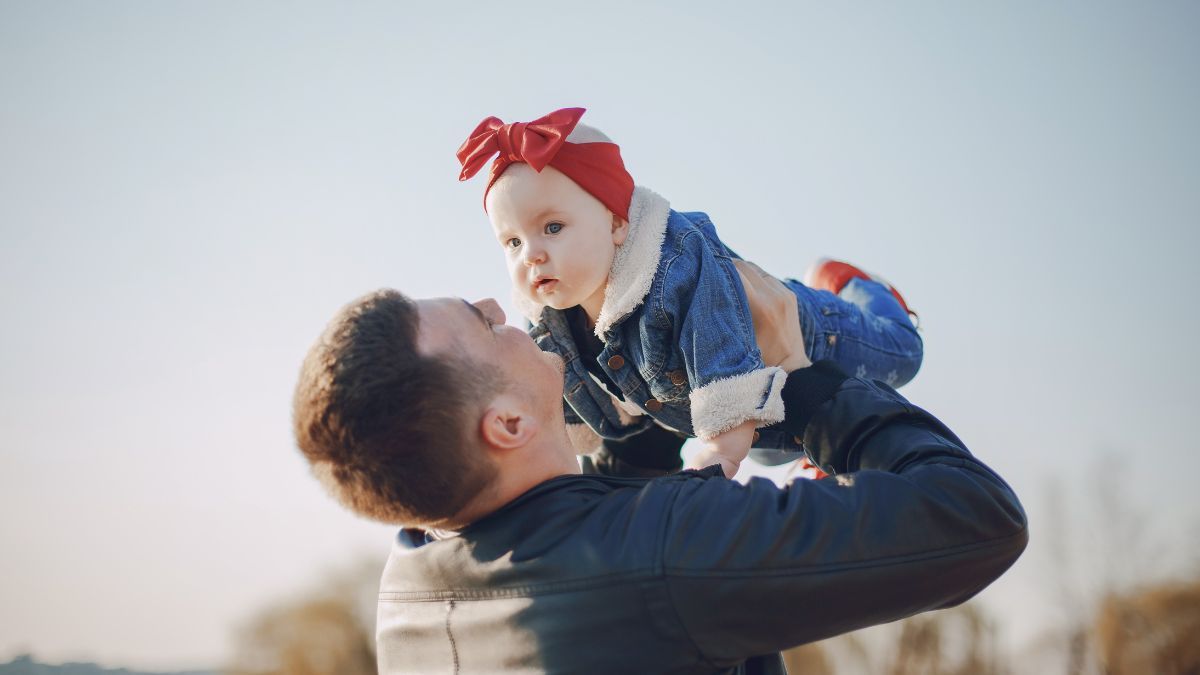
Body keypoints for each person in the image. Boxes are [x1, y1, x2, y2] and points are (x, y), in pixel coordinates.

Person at [291, 262, 1028, 674]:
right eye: (483, 322)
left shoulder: (409, 597)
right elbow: (975, 517)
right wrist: (802, 378)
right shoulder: (667, 555)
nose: (496, 302)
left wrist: (642, 383)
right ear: (507, 424)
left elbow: (587, 556)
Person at [457, 107, 924, 477]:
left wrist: (717, 451)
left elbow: (723, 368)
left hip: (817, 331)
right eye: (513, 242)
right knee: (768, 450)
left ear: (617, 223)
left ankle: (859, 287)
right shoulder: (546, 323)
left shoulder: (677, 266)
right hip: (759, 409)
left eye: (553, 227)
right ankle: (820, 456)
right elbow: (559, 402)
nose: (531, 255)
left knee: (904, 353)